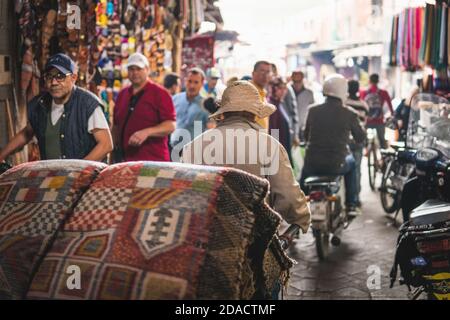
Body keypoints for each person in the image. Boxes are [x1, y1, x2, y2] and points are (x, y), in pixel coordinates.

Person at [181, 80, 311, 234]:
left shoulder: (194, 146)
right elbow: (287, 196)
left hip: (204, 235)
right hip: (254, 236)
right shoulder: (269, 145)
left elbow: (184, 194)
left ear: (223, 112)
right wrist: (301, 217)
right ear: (255, 113)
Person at [0, 53, 113, 163]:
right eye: (49, 77)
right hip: (53, 177)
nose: (54, 82)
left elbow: (106, 144)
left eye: (60, 76)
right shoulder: (41, 104)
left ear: (73, 78)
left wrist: (78, 171)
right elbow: (26, 133)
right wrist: (2, 155)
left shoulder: (87, 104)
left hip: (85, 178)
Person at [302, 74, 366, 215]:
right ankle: (351, 204)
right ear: (344, 91)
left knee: (302, 182)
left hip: (312, 164)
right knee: (353, 163)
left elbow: (305, 136)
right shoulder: (350, 113)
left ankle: (298, 205)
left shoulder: (312, 110)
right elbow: (360, 137)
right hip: (337, 164)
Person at [113, 53, 176, 162]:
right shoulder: (122, 94)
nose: (135, 73)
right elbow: (115, 126)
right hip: (125, 161)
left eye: (139, 69)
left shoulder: (160, 94)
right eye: (131, 69)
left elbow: (170, 125)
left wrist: (147, 132)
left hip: (153, 161)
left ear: (147, 69)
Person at [170, 67, 210, 152]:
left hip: (194, 152)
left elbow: (210, 130)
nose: (192, 86)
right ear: (185, 81)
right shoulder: (175, 99)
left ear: (202, 83)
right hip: (172, 149)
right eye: (189, 81)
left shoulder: (206, 105)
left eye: (196, 82)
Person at [346, 80, 369, 208]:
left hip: (346, 141)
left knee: (348, 169)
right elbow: (365, 120)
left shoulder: (344, 103)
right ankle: (356, 197)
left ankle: (349, 197)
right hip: (359, 140)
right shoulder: (363, 105)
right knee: (358, 169)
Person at [360, 73, 394, 149]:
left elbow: (361, 106)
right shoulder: (384, 93)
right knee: (382, 141)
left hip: (367, 121)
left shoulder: (363, 92)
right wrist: (392, 115)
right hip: (379, 121)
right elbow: (390, 106)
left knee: (362, 139)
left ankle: (365, 149)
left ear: (369, 81)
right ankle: (383, 156)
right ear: (378, 81)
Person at [268, 77, 293, 163]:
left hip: (282, 149)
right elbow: (273, 130)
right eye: (280, 88)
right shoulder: (272, 106)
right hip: (276, 153)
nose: (283, 91)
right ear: (273, 88)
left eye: (285, 88)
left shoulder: (280, 104)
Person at [290, 70, 315, 142]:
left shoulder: (309, 93)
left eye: (299, 81)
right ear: (292, 79)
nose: (297, 83)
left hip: (303, 127)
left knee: (301, 150)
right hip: (290, 127)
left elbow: (311, 111)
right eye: (295, 81)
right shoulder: (286, 91)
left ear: (302, 79)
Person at [251, 61, 273, 129]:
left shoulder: (264, 94)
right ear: (253, 73)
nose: (265, 75)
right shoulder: (247, 92)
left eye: (268, 72)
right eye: (262, 71)